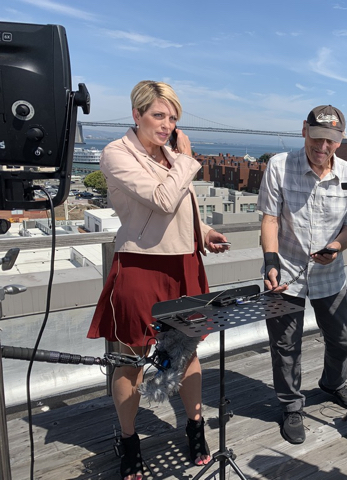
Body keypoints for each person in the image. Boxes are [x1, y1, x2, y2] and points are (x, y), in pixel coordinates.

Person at [87, 80, 230, 480]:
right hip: (141, 264)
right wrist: (186, 159)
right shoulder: (116, 154)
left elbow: (179, 208)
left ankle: (195, 426)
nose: (167, 125)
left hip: (183, 263)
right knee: (131, 359)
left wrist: (202, 234)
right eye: (159, 115)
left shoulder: (170, 156)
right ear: (137, 114)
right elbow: (162, 199)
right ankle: (130, 440)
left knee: (187, 352)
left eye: (173, 118)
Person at [257, 105, 347, 444]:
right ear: (304, 129)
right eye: (317, 137)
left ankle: (333, 384)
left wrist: (335, 247)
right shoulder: (279, 165)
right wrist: (270, 259)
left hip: (330, 275)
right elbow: (270, 218)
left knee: (341, 336)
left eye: (330, 141)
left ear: (340, 140)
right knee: (285, 345)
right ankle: (291, 405)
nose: (322, 147)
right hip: (285, 270)